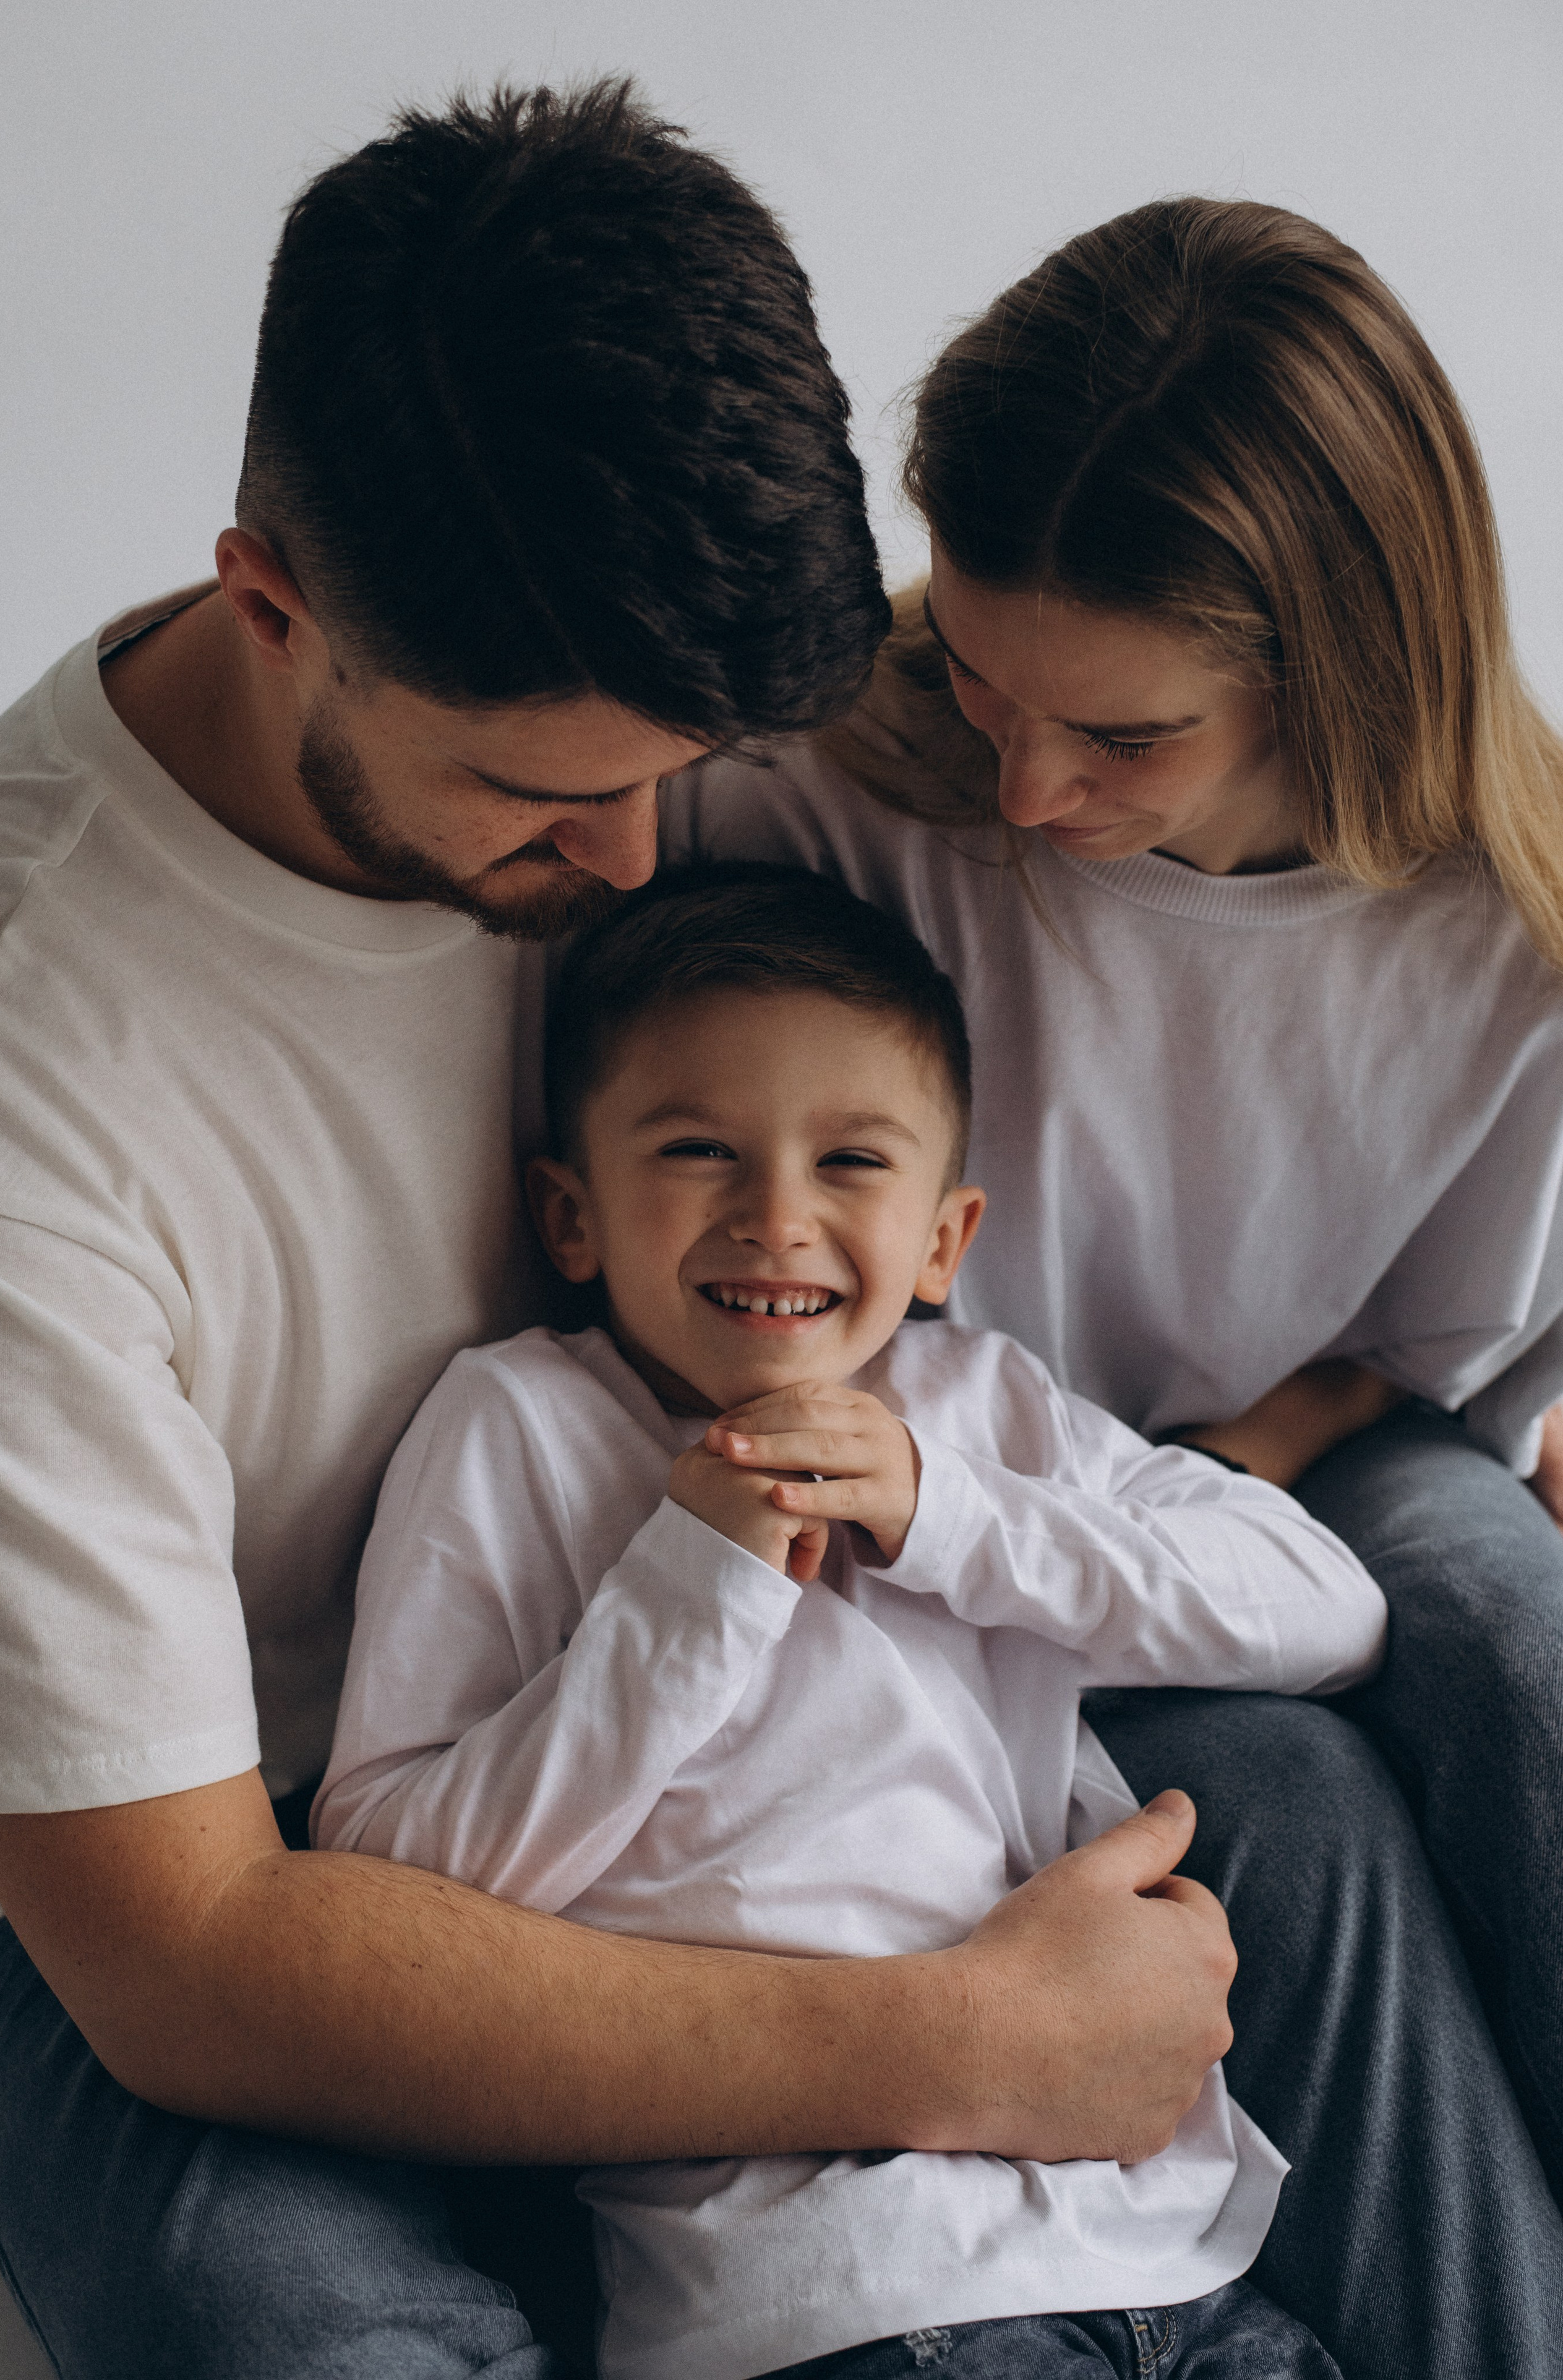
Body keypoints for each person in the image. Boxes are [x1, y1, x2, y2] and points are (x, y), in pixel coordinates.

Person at [0, 79, 1551, 2374]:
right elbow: (194, 1948)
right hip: (278, 1860)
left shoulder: (669, 728)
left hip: (818, 1693)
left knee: (1312, 1770)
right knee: (294, 2319)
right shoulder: (35, 1081)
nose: (648, 863)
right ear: (272, 610)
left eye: (684, 769)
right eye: (556, 794)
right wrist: (956, 2046)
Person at [669, 194, 1563, 2221]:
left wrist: (1216, 1475)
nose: (1025, 792)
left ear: (1332, 667)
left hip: (1310, 1452)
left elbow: (1422, 1363)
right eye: (986, 683)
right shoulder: (819, 798)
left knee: (1520, 1645)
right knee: (1259, 1787)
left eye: (1127, 734)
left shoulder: (1505, 932)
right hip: (939, 1469)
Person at [315, 865, 1382, 2380]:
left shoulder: (981, 1405)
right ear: (569, 1209)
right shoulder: (518, 1426)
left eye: (851, 1161)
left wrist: (950, 1515)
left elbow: (1328, 1606)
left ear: (943, 1240)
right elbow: (388, 1885)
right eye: (696, 1148)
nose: (776, 1216)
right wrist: (695, 1578)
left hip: (1173, 2253)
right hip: (829, 2296)